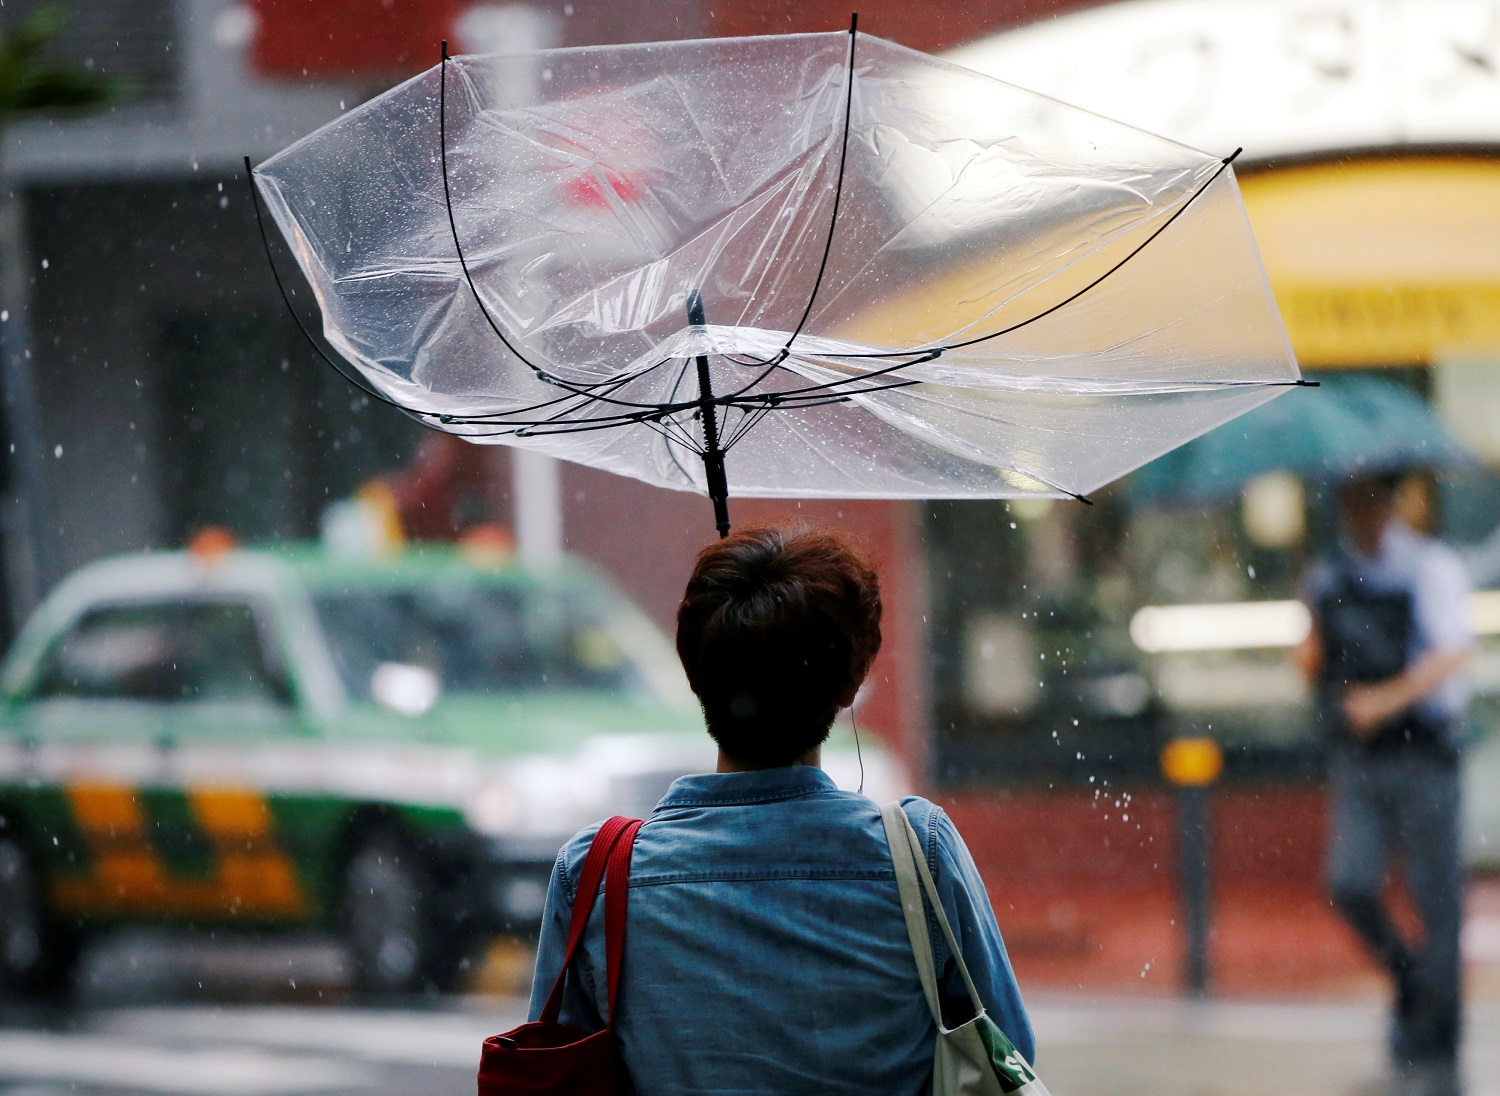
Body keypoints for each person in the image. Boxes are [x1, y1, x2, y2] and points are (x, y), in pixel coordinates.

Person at [528, 524, 1033, 1094]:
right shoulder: (920, 854)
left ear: (696, 676)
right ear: (850, 682)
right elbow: (1006, 1057)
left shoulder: (598, 873)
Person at [1301, 472, 1472, 1090]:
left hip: (1425, 751)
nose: (1361, 512)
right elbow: (1318, 661)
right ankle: (1412, 983)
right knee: (1350, 881)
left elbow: (1451, 652)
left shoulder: (1431, 567)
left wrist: (1384, 700)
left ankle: (1439, 1029)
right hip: (1362, 757)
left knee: (1436, 897)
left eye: (1371, 499)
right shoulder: (1329, 577)